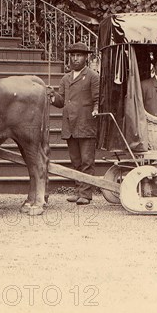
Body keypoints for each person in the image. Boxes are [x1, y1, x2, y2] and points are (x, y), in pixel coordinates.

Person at [47, 42, 99, 205]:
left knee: (86, 160)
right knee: (75, 160)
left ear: (85, 58)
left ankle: (86, 194)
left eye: (79, 55)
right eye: (73, 55)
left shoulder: (92, 76)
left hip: (86, 123)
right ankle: (78, 191)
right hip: (70, 125)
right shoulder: (65, 78)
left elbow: (98, 99)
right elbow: (61, 101)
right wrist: (52, 96)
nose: (75, 58)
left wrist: (96, 109)